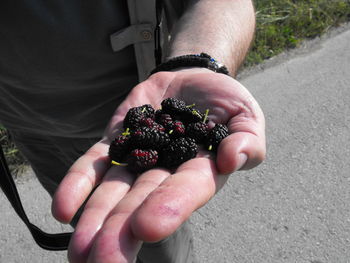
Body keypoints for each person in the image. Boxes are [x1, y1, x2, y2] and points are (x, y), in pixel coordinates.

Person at [0, 0, 266, 262]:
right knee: (89, 226)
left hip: (122, 109)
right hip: (28, 127)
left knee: (150, 234)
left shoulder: (158, 128)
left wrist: (196, 63)